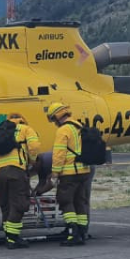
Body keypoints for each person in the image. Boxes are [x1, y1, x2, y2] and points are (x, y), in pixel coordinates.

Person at [45, 102, 91, 246]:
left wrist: (55, 173)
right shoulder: (79, 127)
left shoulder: (63, 130)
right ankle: (82, 232)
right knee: (80, 202)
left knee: (66, 201)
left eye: (53, 119)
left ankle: (73, 233)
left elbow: (59, 154)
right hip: (84, 171)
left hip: (69, 173)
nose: (54, 123)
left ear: (58, 116)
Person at [0, 112, 40, 249]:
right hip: (16, 170)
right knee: (19, 203)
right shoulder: (25, 129)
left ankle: (8, 235)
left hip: (1, 171)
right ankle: (13, 239)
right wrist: (32, 161)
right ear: (22, 120)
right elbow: (35, 147)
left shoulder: (0, 131)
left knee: (6, 203)